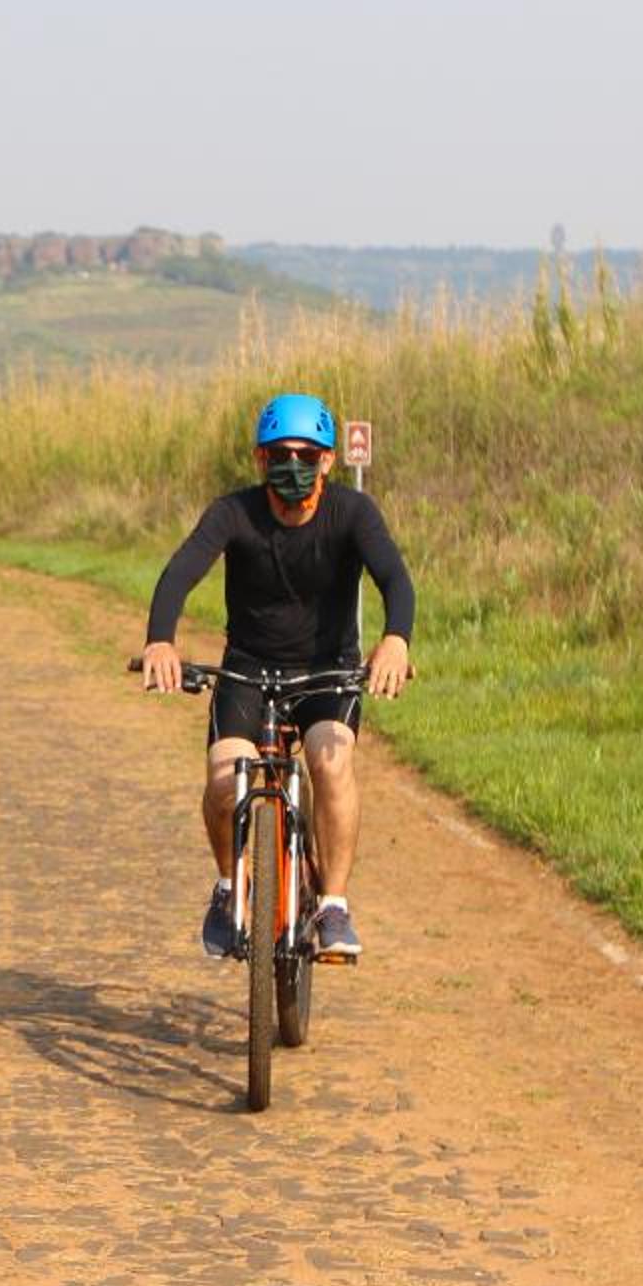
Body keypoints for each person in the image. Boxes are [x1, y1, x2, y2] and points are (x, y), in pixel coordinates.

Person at [138, 392, 414, 962]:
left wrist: (396, 639)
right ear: (259, 459)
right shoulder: (232, 513)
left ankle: (332, 904)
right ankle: (227, 887)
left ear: (328, 460)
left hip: (327, 672)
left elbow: (394, 576)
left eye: (306, 455)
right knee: (225, 780)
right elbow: (181, 571)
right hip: (247, 670)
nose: (293, 466)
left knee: (331, 764)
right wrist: (160, 639)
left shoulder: (353, 513)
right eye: (279, 455)